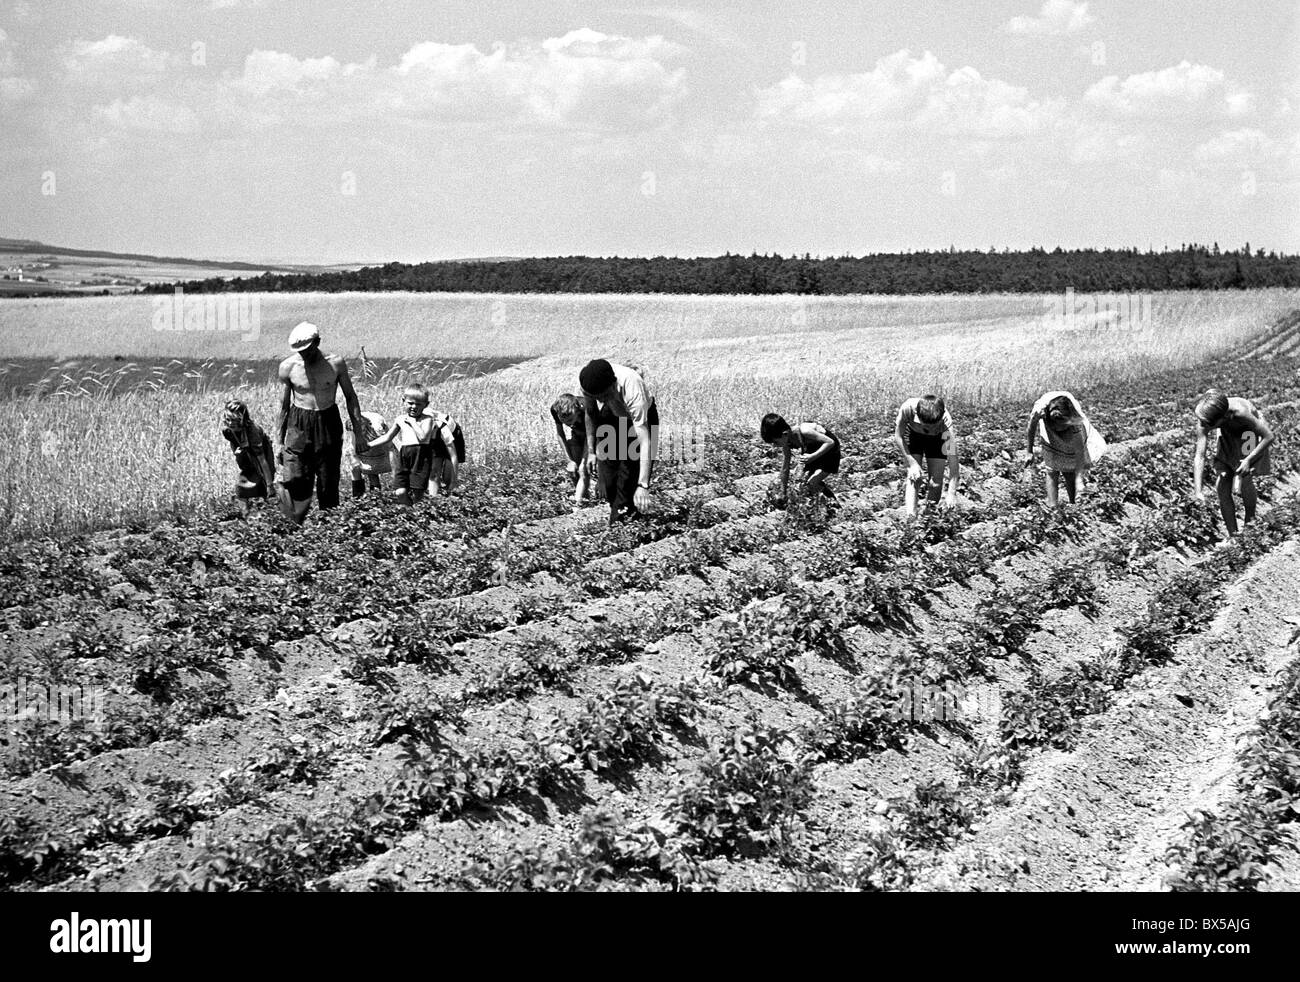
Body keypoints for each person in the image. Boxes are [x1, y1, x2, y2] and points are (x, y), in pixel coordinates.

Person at [276, 322, 365, 524]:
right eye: (300, 352)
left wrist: (359, 434)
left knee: (328, 481)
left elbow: (351, 398)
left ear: (317, 342)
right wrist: (279, 443)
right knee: (294, 477)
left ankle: (328, 529)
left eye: (307, 350)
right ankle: (292, 527)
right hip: (299, 424)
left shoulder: (335, 364)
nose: (304, 355)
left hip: (327, 421)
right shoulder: (288, 367)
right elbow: (283, 406)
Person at [579, 358, 658, 524]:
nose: (601, 400)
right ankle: (624, 513)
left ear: (614, 383)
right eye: (598, 398)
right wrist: (592, 452)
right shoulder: (589, 384)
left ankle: (623, 523)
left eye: (604, 396)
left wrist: (643, 485)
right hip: (614, 416)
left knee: (628, 478)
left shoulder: (633, 389)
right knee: (609, 480)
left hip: (640, 420)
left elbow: (645, 442)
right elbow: (591, 414)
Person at [1191, 389, 1276, 537]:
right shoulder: (1206, 418)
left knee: (1245, 479)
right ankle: (1233, 536)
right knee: (1222, 483)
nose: (1204, 425)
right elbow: (1200, 455)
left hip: (1248, 432)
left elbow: (1268, 436)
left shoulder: (1241, 413)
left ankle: (1250, 524)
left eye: (1210, 423)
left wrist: (1248, 460)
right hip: (1227, 431)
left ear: (1224, 417)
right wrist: (1198, 491)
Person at [1024, 391, 1107, 509]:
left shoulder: (1075, 421)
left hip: (1072, 431)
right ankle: (1052, 507)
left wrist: (1079, 481)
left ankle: (1073, 505)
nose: (1062, 430)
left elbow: (1079, 452)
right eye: (1061, 427)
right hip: (1049, 426)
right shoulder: (1040, 411)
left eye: (1065, 427)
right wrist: (1029, 451)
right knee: (1051, 469)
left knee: (1069, 469)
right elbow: (1031, 427)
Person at [366, 384, 441, 505]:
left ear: (426, 405)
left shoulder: (427, 419)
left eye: (418, 404)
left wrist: (412, 422)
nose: (414, 407)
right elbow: (388, 437)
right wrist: (369, 445)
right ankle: (408, 510)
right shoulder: (400, 419)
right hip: (404, 456)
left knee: (418, 492)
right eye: (410, 403)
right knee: (399, 492)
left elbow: (423, 437)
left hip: (420, 457)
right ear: (403, 401)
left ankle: (418, 514)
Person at [894, 394, 960, 517]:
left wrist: (952, 493)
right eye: (926, 426)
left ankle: (929, 518)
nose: (930, 430)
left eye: (934, 426)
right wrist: (912, 463)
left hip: (937, 439)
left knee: (935, 484)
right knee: (914, 476)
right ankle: (911, 518)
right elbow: (898, 436)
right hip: (914, 435)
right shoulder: (907, 409)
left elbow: (953, 462)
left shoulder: (946, 424)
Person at [760, 413, 840, 506]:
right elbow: (785, 468)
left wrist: (813, 456)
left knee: (812, 483)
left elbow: (830, 442)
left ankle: (834, 505)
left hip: (830, 450)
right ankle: (816, 506)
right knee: (800, 482)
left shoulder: (805, 431)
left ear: (785, 434)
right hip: (813, 451)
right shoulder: (786, 442)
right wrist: (783, 491)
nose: (774, 445)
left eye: (775, 442)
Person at [220, 399, 276, 517]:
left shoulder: (253, 432)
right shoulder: (227, 431)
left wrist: (270, 484)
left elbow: (262, 460)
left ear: (241, 420)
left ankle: (267, 514)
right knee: (241, 488)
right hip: (244, 451)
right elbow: (233, 443)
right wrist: (239, 455)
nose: (230, 424)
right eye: (228, 420)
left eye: (234, 421)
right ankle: (247, 517)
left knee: (263, 484)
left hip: (262, 452)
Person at [551, 393, 597, 505]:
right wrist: (569, 461)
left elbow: (589, 434)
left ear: (577, 410)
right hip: (577, 434)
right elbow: (560, 434)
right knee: (574, 469)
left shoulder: (585, 406)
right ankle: (584, 499)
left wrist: (585, 458)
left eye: (571, 420)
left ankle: (578, 503)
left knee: (583, 468)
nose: (569, 424)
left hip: (594, 434)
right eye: (565, 422)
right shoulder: (555, 410)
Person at [346, 409, 391, 498]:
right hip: (360, 447)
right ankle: (358, 498)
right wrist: (357, 459)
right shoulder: (353, 427)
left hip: (375, 447)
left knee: (372, 472)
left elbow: (388, 441)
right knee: (355, 468)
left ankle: (376, 498)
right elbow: (352, 445)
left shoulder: (376, 427)